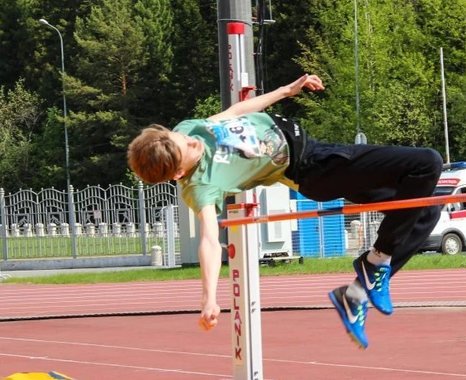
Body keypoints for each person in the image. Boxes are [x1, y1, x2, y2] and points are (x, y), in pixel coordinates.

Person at [127, 74, 443, 349]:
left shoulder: (188, 130)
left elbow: (236, 111)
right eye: (189, 150)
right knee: (426, 162)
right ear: (178, 174)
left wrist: (285, 91)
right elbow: (209, 241)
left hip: (313, 149)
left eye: (182, 138)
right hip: (313, 167)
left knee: (425, 210)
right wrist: (209, 297)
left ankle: (356, 295)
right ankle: (376, 263)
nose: (193, 142)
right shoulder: (200, 186)